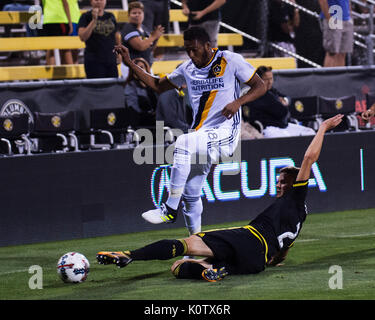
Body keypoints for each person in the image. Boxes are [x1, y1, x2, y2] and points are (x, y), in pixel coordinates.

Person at [96, 114, 344, 281]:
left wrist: (322, 128)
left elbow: (309, 158)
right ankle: (212, 270)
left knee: (186, 244)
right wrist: (274, 261)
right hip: (255, 261)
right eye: (278, 181)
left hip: (248, 238)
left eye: (283, 182)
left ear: (296, 183)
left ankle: (129, 254)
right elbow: (283, 252)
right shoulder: (300, 215)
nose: (279, 185)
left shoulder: (296, 196)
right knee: (180, 267)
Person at [115, 26, 266, 235]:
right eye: (187, 50)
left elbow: (261, 86)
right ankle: (194, 245)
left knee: (183, 143)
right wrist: (130, 63)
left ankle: (169, 208)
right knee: (191, 192)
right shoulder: (187, 69)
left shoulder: (229, 60)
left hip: (225, 133)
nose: (191, 54)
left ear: (207, 46)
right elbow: (158, 85)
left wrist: (238, 102)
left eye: (195, 49)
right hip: (201, 135)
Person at [245, 66, 316, 138]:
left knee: (309, 132)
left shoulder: (271, 91)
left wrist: (285, 100)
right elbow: (282, 112)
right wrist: (281, 103)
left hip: (283, 125)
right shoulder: (256, 94)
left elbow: (287, 98)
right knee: (287, 140)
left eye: (271, 79)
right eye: (266, 79)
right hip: (269, 128)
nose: (269, 82)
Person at [78, 0, 121, 78]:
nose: (98, 2)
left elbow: (116, 36)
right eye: (96, 0)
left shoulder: (111, 16)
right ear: (91, 2)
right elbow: (82, 37)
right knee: (96, 88)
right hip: (93, 61)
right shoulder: (85, 16)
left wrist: (119, 54)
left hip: (110, 60)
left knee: (112, 87)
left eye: (101, 0)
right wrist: (94, 20)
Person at [121, 1, 164, 67]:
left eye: (139, 13)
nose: (137, 15)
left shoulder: (144, 28)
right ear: (129, 15)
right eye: (134, 13)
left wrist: (156, 38)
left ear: (143, 14)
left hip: (145, 66)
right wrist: (154, 37)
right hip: (132, 68)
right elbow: (140, 46)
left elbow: (150, 47)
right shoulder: (128, 28)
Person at [125, 57, 159, 128]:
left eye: (141, 67)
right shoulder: (130, 86)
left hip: (158, 120)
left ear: (147, 69)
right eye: (136, 68)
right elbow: (134, 108)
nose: (139, 70)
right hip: (141, 122)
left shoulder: (154, 83)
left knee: (160, 136)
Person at [318, 0, 354, 67]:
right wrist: (329, 18)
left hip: (346, 18)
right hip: (334, 16)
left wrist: (350, 15)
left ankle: (339, 76)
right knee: (332, 53)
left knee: (343, 53)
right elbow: (322, 1)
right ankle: (329, 76)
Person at [42, 0, 76, 65]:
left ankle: (51, 73)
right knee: (66, 49)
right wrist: (70, 22)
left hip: (48, 20)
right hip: (59, 19)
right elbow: (65, 4)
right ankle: (71, 73)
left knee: (51, 48)